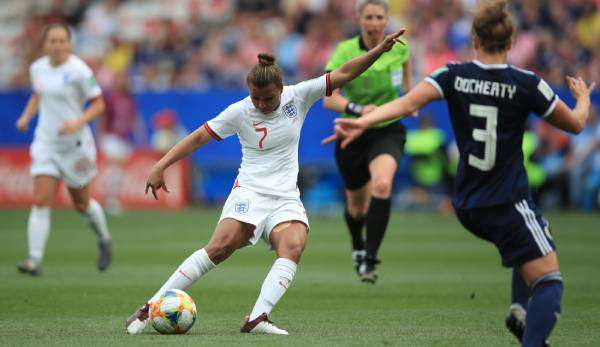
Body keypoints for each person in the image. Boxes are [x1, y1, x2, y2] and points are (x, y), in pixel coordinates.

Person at [324, 1, 595, 346]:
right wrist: (584, 98)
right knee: (549, 281)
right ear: (511, 42)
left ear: (475, 40)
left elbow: (407, 104)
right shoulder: (528, 83)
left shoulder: (453, 74)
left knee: (535, 234)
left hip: (466, 202)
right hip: (506, 199)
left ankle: (518, 309)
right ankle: (528, 328)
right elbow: (575, 124)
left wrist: (360, 120)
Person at [125, 31, 406, 335]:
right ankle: (149, 308)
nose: (260, 104)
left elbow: (345, 72)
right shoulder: (239, 111)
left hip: (285, 197)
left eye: (268, 98)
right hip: (250, 191)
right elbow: (198, 137)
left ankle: (257, 318)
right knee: (218, 248)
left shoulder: (298, 96)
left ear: (280, 89)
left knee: (294, 245)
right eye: (255, 97)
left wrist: (379, 50)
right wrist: (161, 165)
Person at [14, 23, 113, 275]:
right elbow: (38, 95)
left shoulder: (79, 71)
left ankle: (103, 238)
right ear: (45, 44)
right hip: (46, 142)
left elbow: (98, 104)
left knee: (81, 203)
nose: (57, 46)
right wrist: (26, 117)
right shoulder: (38, 68)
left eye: (62, 41)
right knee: (40, 200)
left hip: (75, 146)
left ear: (70, 44)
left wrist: (76, 122)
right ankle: (34, 259)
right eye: (52, 41)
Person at [324, 0, 411, 283]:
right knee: (357, 208)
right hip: (352, 132)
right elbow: (329, 98)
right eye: (369, 17)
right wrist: (358, 111)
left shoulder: (402, 48)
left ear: (387, 20)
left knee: (382, 185)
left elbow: (407, 88)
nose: (374, 22)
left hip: (387, 129)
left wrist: (410, 101)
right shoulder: (344, 51)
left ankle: (370, 258)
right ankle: (358, 247)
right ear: (359, 19)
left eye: (379, 17)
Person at [99, 70, 145, 215]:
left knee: (118, 170)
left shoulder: (129, 98)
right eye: (119, 79)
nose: (122, 82)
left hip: (124, 138)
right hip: (111, 136)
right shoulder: (110, 98)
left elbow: (134, 118)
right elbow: (101, 117)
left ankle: (112, 199)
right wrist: (100, 136)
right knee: (114, 166)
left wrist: (140, 135)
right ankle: (110, 200)